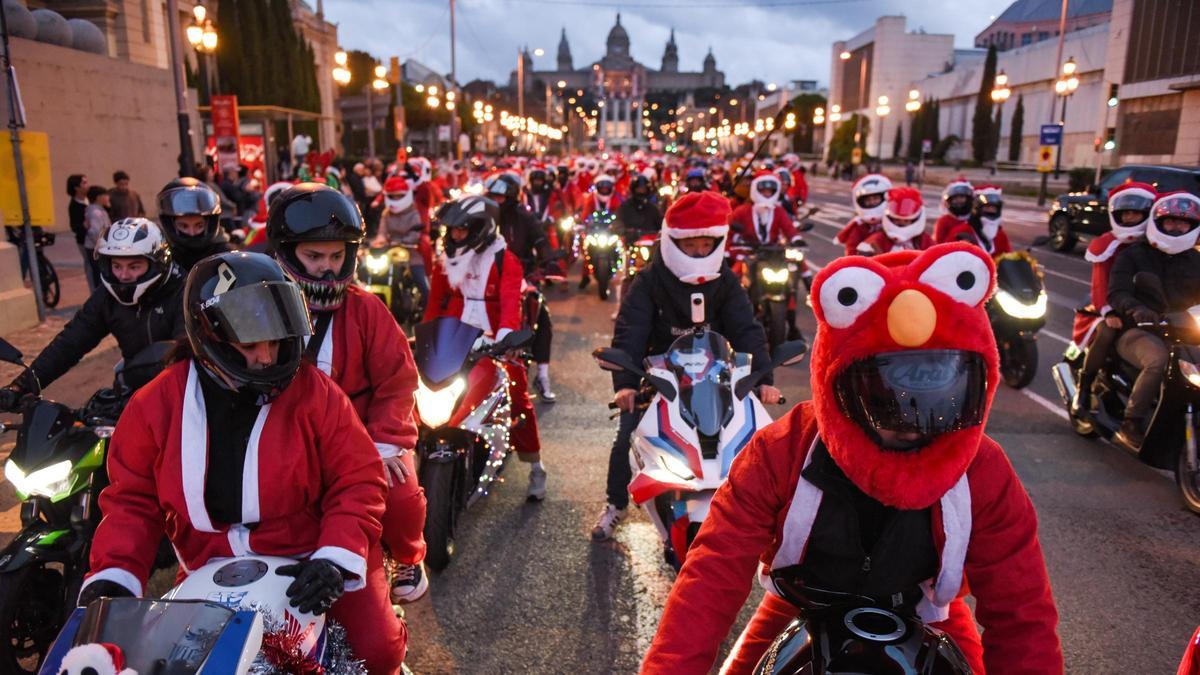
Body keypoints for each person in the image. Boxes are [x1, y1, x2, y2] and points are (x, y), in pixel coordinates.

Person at [641, 243, 1063, 674]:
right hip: (797, 608)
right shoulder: (779, 450)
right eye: (885, 397)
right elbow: (710, 578)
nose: (912, 422)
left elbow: (1021, 611)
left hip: (931, 613)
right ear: (837, 386)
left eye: (939, 400)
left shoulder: (985, 471)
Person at [76, 252, 407, 675]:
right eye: (251, 345)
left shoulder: (317, 393)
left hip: (315, 557)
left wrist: (335, 557)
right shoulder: (154, 404)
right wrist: (115, 574)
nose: (267, 358)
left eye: (276, 340)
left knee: (377, 650)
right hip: (211, 566)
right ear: (210, 335)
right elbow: (132, 502)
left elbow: (358, 479)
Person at [268, 183, 428, 605]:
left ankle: (409, 556)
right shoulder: (261, 309)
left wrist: (386, 442)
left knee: (403, 495)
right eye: (314, 256)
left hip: (365, 439)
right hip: (285, 441)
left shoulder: (368, 310)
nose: (327, 268)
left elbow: (398, 381)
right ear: (286, 252)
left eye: (337, 256)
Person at [594, 191, 780, 543]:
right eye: (690, 245)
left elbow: (747, 331)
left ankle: (760, 514)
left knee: (753, 443)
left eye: (705, 244)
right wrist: (626, 384)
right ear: (672, 241)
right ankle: (615, 504)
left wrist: (763, 380)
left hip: (717, 378)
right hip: (659, 379)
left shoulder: (726, 281)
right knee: (626, 437)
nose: (697, 252)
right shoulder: (648, 281)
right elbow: (631, 332)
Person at [424, 195, 548, 499]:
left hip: (495, 340)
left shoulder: (505, 259)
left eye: (462, 230)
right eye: (452, 230)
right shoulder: (446, 259)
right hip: (453, 339)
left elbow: (509, 304)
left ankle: (535, 466)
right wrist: (426, 339)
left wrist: (505, 340)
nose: (455, 236)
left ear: (482, 227)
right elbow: (434, 303)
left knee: (517, 398)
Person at [0, 218, 184, 409]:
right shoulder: (106, 297)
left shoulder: (182, 291)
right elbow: (70, 342)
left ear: (157, 263)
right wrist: (20, 386)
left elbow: (184, 351)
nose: (123, 275)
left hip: (181, 394)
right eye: (117, 266)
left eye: (134, 266)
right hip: (132, 393)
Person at [1106, 192, 1200, 450]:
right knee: (1158, 361)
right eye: (1170, 221)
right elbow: (1117, 292)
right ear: (1158, 221)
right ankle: (1131, 422)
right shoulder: (1134, 255)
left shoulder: (1196, 260)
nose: (1177, 227)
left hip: (1187, 333)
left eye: (1184, 223)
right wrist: (1136, 309)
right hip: (1141, 331)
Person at [1069, 182, 1156, 426]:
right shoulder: (1107, 245)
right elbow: (1099, 285)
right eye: (1125, 213)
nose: (1130, 217)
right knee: (1106, 334)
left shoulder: (1157, 244)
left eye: (1136, 213)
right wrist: (1107, 311)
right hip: (1110, 307)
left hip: (1148, 310)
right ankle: (1083, 390)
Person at [485, 174, 556, 402]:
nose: (496, 201)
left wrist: (548, 257)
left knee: (541, 316)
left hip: (522, 276)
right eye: (492, 196)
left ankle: (543, 375)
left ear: (511, 196)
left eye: (500, 196)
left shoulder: (525, 217)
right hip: (487, 278)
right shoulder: (482, 217)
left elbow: (540, 239)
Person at [374, 175, 431, 304]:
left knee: (422, 284)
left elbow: (415, 234)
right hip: (390, 253)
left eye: (399, 196)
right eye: (392, 196)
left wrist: (405, 241)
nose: (395, 199)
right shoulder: (386, 213)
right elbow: (382, 232)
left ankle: (427, 313)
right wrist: (380, 241)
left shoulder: (413, 213)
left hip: (411, 253)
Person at [157, 177, 231, 271]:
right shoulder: (163, 257)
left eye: (199, 226)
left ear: (209, 224)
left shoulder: (225, 254)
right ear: (170, 225)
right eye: (184, 226)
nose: (192, 233)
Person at [857, 186, 934, 255]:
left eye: (906, 221)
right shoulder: (875, 242)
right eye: (897, 220)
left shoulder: (924, 241)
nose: (901, 223)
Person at [944, 185, 1012, 256]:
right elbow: (945, 258)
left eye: (994, 208)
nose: (991, 211)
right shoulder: (960, 231)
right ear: (977, 209)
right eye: (987, 207)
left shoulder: (1001, 235)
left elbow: (1007, 260)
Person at [834, 173, 891, 256]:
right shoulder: (858, 225)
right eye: (868, 200)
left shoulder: (892, 219)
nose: (872, 202)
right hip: (867, 263)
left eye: (875, 198)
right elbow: (851, 249)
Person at [66, 174, 97, 291]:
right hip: (85, 241)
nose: (87, 185)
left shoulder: (90, 199)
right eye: (84, 183)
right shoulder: (74, 205)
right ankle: (93, 291)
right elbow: (75, 227)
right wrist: (84, 226)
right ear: (76, 188)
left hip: (97, 238)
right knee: (90, 265)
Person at [82, 185, 111, 290]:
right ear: (98, 197)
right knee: (100, 275)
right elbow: (94, 232)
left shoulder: (96, 210)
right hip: (96, 248)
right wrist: (102, 245)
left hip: (94, 247)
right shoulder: (96, 213)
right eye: (105, 195)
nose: (108, 197)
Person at [933, 178, 974, 243]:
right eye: (955, 198)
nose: (959, 201)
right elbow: (938, 245)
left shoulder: (975, 219)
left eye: (962, 197)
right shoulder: (944, 221)